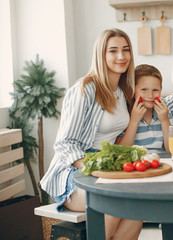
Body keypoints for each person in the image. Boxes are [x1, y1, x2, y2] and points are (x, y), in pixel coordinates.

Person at [40, 28, 144, 240]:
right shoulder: (85, 88)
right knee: (113, 199)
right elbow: (65, 143)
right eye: (113, 51)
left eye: (126, 50)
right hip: (73, 172)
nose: (121, 56)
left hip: (104, 167)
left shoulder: (123, 91)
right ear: (101, 55)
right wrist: (95, 168)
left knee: (138, 207)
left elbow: (119, 147)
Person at [116, 64, 173, 152]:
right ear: (132, 89)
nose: (150, 95)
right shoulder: (125, 113)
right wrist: (134, 121)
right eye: (144, 90)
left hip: (160, 163)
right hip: (136, 164)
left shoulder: (164, 110)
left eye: (155, 90)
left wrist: (164, 120)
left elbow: (172, 151)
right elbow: (122, 151)